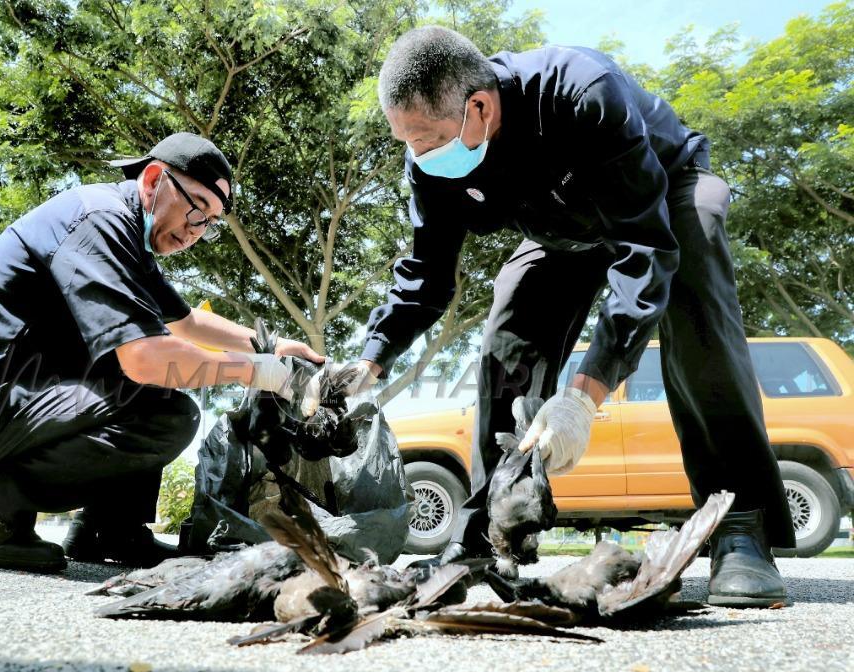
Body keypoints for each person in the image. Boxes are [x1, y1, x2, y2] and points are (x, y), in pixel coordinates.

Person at [336, 27, 794, 607]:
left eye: (427, 140)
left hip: (659, 200)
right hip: (562, 234)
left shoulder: (582, 93)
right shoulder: (431, 162)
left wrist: (584, 395)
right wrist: (370, 360)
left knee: (694, 267)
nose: (420, 157)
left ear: (479, 105)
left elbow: (645, 248)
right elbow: (427, 270)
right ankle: (488, 533)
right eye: (408, 143)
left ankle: (738, 525)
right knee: (508, 325)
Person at [0, 133, 323, 573]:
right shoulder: (98, 222)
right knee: (163, 408)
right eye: (197, 207)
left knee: (159, 397)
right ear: (152, 181)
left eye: (211, 222)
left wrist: (272, 345)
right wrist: (261, 372)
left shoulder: (128, 236)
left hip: (9, 400)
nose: (197, 230)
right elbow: (145, 358)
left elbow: (186, 323)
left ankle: (109, 529)